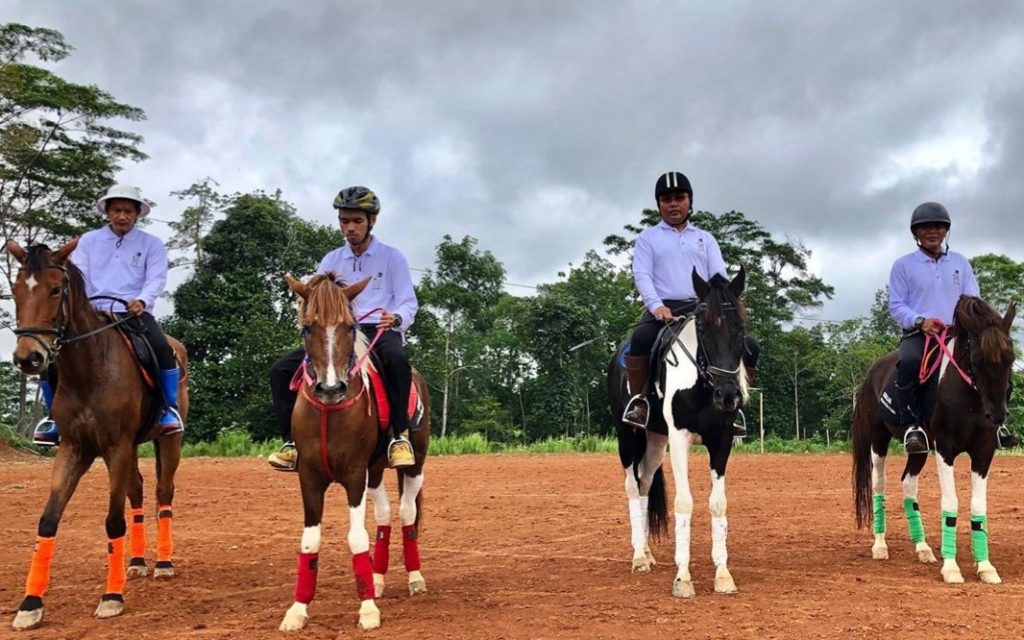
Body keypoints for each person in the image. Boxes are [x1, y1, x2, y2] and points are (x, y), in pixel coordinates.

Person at [268, 186, 419, 471]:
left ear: (371, 221)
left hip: (378, 330)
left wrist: (397, 318)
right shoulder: (331, 260)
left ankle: (399, 436)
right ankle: (291, 444)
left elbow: (408, 301)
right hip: (336, 333)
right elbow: (314, 298)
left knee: (397, 361)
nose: (349, 227)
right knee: (280, 370)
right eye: (344, 221)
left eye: (357, 221)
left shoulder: (392, 257)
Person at [33, 184, 184, 446]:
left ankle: (168, 410)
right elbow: (80, 276)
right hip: (92, 314)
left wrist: (143, 300)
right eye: (117, 210)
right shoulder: (89, 241)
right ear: (108, 212)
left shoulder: (152, 244)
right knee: (53, 359)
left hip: (133, 313)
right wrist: (88, 306)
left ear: (137, 213)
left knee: (161, 349)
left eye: (128, 211)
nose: (122, 216)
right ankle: (53, 418)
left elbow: (156, 277)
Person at [623, 171, 759, 434]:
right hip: (665, 309)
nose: (673, 203)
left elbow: (718, 275)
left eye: (679, 197)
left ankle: (735, 402)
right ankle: (640, 402)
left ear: (689, 201)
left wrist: (723, 302)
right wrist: (656, 306)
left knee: (750, 346)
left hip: (703, 309)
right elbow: (642, 275)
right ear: (659, 204)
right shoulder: (648, 239)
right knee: (640, 339)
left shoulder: (705, 239)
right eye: (667, 199)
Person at [888, 201, 1019, 453]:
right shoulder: (903, 266)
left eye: (937, 227)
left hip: (959, 334)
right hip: (921, 333)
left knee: (996, 363)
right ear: (915, 233)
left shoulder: (960, 263)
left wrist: (975, 325)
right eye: (925, 228)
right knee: (909, 362)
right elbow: (896, 305)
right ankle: (913, 426)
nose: (932, 232)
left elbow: (972, 300)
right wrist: (920, 321)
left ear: (946, 230)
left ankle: (998, 424)